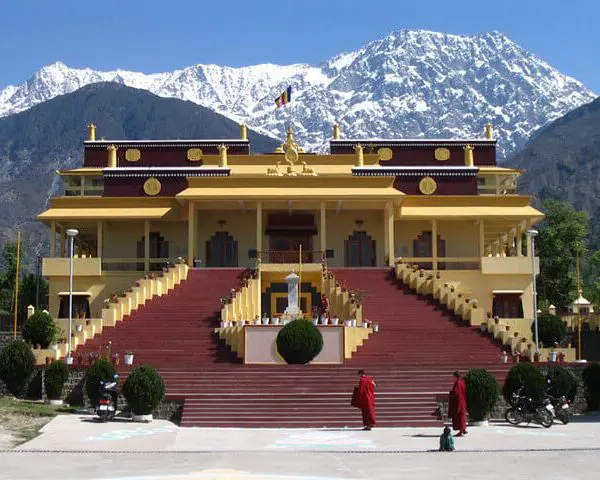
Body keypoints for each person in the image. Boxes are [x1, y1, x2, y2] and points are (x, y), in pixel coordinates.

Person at [448, 371, 468, 436]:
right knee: (462, 417)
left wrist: (451, 393)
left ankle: (461, 432)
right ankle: (463, 430)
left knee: (459, 417)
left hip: (458, 402)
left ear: (456, 376)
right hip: (463, 402)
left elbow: (456, 393)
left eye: (454, 376)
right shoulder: (462, 382)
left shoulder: (458, 383)